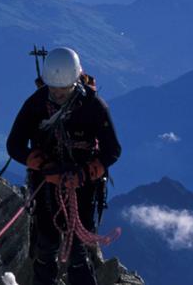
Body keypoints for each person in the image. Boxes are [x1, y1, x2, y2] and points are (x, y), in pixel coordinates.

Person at [6, 47, 121, 285]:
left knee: (77, 249)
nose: (57, 94)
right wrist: (44, 165)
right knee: (47, 243)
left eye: (63, 89)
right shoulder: (38, 104)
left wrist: (82, 173)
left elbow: (113, 150)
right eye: (53, 89)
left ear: (76, 81)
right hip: (49, 183)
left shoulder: (93, 106)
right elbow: (14, 144)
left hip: (80, 185)